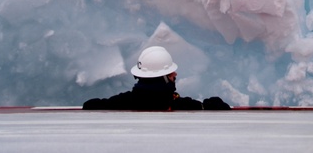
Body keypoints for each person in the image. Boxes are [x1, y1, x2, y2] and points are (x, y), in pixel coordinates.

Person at [82, 46, 231, 111]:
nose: (175, 75)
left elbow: (90, 105)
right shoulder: (181, 105)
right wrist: (210, 106)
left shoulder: (122, 102)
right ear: (162, 78)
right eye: (171, 73)